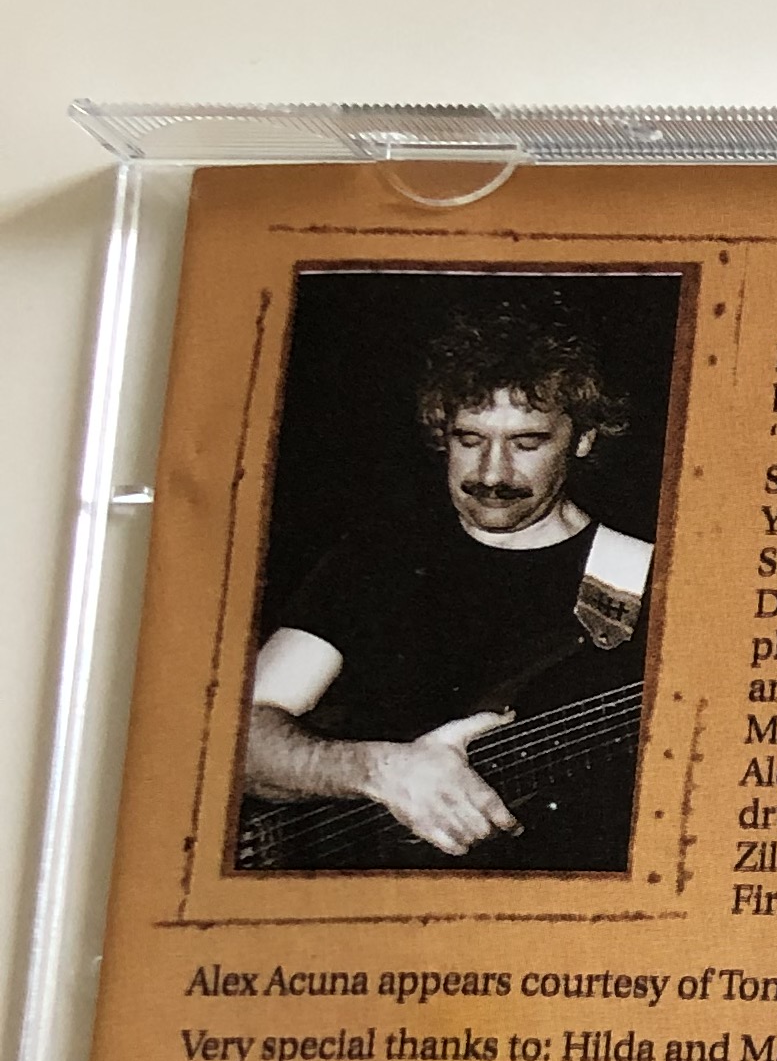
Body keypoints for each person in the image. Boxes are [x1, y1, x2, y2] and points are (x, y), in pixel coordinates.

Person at [240, 297, 655, 869]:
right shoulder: (377, 557)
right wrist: (382, 771)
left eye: (527, 444)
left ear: (583, 439)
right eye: (470, 439)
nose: (491, 472)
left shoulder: (646, 582)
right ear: (442, 434)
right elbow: (241, 740)